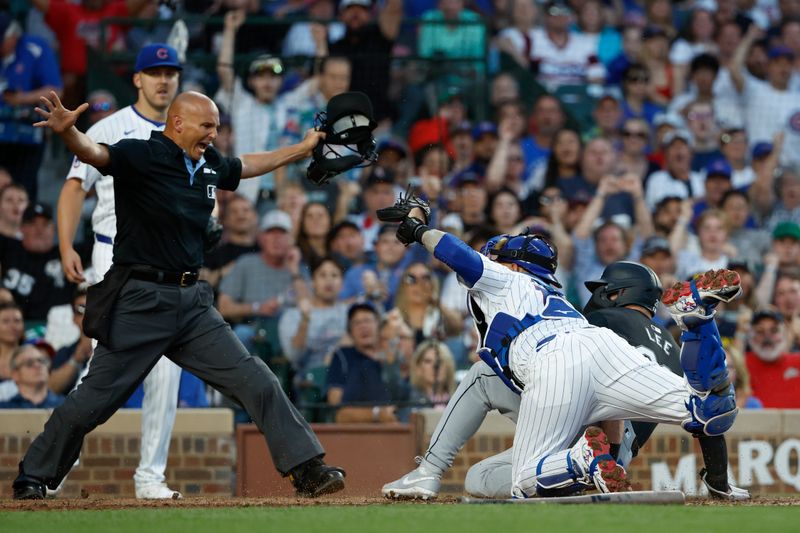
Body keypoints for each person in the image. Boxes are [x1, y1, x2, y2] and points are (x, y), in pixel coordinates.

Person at [12, 89, 345, 501]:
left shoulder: (207, 162)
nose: (213, 134)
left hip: (192, 304)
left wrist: (301, 148)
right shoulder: (141, 154)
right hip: (140, 300)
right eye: (207, 126)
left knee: (256, 377)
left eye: (218, 128)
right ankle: (34, 475)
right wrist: (68, 134)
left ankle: (307, 470)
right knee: (92, 403)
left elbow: (245, 167)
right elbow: (96, 153)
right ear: (178, 123)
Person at [379, 200, 741, 499]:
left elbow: (461, 257)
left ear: (511, 263)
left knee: (524, 481)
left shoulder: (507, 278)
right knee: (707, 410)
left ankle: (582, 459)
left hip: (554, 361)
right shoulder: (561, 300)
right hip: (603, 353)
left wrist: (418, 229)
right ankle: (698, 320)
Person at [55, 43, 185, 501]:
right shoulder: (110, 126)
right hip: (113, 257)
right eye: (153, 71)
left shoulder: (187, 130)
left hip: (167, 261)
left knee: (167, 366)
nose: (163, 79)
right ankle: (56, 466)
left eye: (170, 71)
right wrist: (66, 243)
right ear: (137, 78)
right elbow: (75, 186)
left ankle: (151, 475)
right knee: (101, 368)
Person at [0, 13, 63, 201]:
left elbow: (56, 91)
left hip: (27, 129)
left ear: (12, 35)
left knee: (24, 188)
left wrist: (21, 98)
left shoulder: (34, 47)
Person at [0, 203, 75, 322]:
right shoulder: (8, 248)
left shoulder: (67, 255)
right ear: (21, 228)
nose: (39, 230)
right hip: (12, 326)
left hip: (59, 331)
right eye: (32, 224)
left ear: (54, 229)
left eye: (45, 224)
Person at [0, 344, 64, 409]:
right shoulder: (4, 409)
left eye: (42, 361)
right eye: (29, 363)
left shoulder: (66, 405)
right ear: (15, 375)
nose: (38, 365)